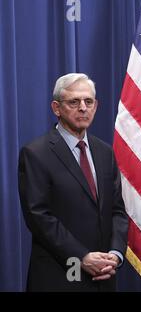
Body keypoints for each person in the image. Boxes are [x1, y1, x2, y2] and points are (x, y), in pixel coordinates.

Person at [18, 73, 129, 291]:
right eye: (73, 102)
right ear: (56, 108)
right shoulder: (35, 153)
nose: (83, 108)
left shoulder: (105, 152)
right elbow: (38, 216)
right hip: (60, 276)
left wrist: (115, 255)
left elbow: (117, 210)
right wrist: (82, 256)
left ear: (96, 106)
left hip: (104, 278)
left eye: (88, 101)